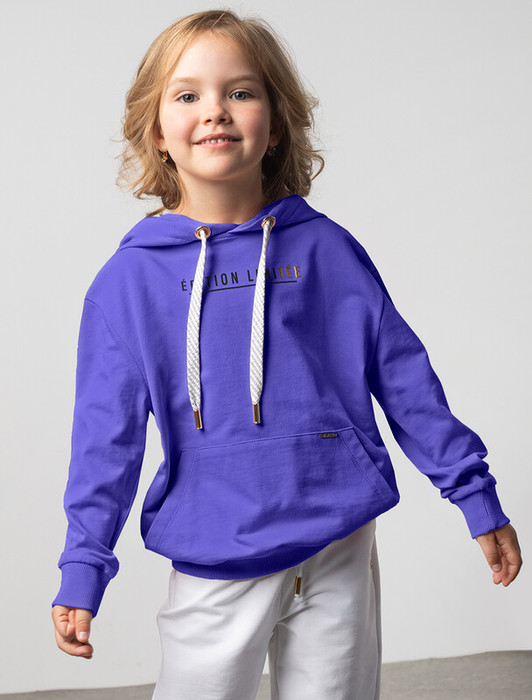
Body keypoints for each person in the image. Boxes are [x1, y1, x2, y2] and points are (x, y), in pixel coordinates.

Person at [51, 8, 522, 699]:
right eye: (188, 95)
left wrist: (473, 494)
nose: (215, 110)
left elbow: (404, 378)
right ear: (156, 130)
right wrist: (83, 566)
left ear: (275, 123)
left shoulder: (325, 249)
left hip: (338, 540)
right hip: (217, 548)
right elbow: (105, 441)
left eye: (240, 91)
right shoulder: (127, 283)